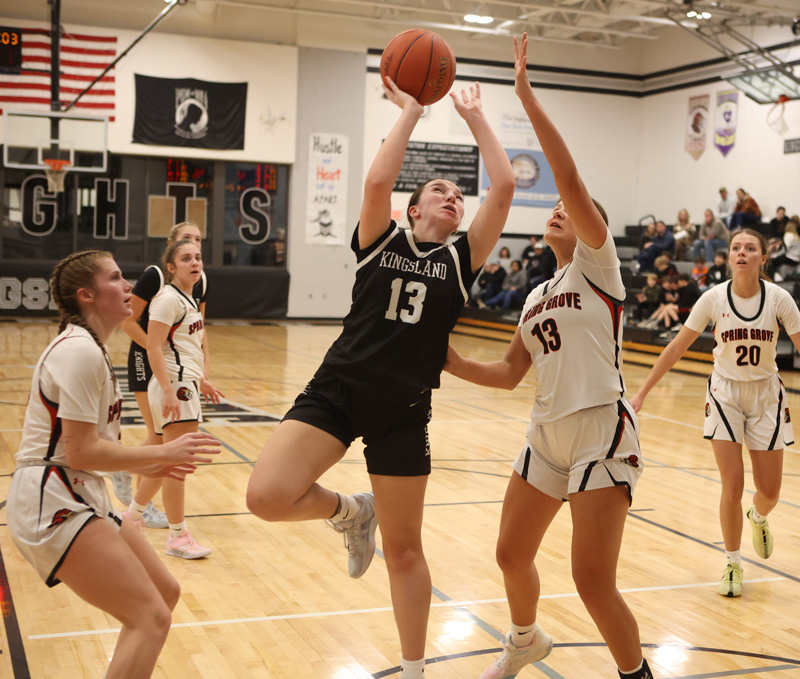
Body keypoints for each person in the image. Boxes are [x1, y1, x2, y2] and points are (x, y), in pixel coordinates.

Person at [245, 77, 515, 679]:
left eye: (457, 195)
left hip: (404, 411)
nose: (452, 197)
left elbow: (503, 187)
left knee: (406, 550)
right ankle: (349, 511)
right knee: (265, 497)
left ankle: (413, 670)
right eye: (438, 191)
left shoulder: (462, 259)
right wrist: (413, 111)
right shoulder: (380, 239)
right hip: (337, 390)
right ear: (412, 210)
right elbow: (375, 183)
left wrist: (475, 118)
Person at [444, 33, 652, 679]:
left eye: (571, 209)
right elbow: (509, 372)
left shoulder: (599, 267)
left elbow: (568, 178)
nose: (560, 208)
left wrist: (525, 97)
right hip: (546, 433)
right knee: (510, 554)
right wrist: (447, 360)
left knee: (591, 580)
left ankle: (637, 674)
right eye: (556, 209)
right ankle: (525, 639)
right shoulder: (536, 295)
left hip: (600, 427)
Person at [6, 251, 219, 679]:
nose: (128, 286)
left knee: (164, 592)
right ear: (86, 295)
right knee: (150, 618)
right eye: (116, 278)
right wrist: (161, 454)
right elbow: (82, 452)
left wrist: (152, 464)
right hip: (52, 498)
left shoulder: (91, 348)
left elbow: (91, 452)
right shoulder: (79, 351)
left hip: (79, 488)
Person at [630, 229, 800, 598]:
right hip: (725, 394)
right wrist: (642, 393)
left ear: (763, 258)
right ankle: (733, 563)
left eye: (750, 248)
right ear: (729, 256)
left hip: (766, 396)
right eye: (736, 248)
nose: (741, 253)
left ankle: (759, 516)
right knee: (732, 484)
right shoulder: (712, 299)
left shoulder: (779, 299)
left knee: (769, 492)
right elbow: (676, 348)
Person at [124, 239, 224, 559]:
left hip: (183, 382)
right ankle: (178, 536)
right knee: (178, 464)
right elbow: (154, 346)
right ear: (171, 267)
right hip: (174, 385)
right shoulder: (167, 299)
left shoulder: (189, 298)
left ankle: (132, 517)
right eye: (186, 259)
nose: (195, 263)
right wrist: (169, 389)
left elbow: (184, 347)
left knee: (168, 460)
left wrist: (201, 380)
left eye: (198, 257)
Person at [112, 222, 214, 529]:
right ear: (171, 247)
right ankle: (135, 488)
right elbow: (128, 322)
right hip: (147, 355)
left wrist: (202, 373)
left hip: (178, 364)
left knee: (162, 439)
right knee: (163, 440)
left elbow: (198, 331)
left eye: (198, 241)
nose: (194, 247)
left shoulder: (199, 281)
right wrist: (162, 352)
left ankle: (135, 502)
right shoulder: (155, 276)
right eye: (186, 240)